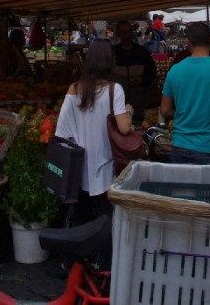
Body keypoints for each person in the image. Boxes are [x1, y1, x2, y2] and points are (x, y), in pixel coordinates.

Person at [53, 41, 131, 276]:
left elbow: (61, 130)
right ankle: (103, 264)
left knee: (82, 215)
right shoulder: (114, 90)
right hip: (106, 163)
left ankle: (72, 263)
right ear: (110, 61)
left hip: (80, 165)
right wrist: (129, 111)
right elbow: (124, 128)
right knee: (106, 216)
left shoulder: (75, 89)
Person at [160, 22, 210, 164]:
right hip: (209, 147)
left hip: (179, 146)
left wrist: (184, 111)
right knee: (208, 187)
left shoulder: (175, 70)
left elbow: (165, 110)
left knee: (181, 187)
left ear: (188, 41)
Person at [112, 20, 157, 124]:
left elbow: (152, 72)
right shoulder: (113, 53)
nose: (128, 35)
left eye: (129, 31)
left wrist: (142, 80)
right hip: (118, 106)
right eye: (124, 32)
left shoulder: (142, 52)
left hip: (140, 105)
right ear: (118, 34)